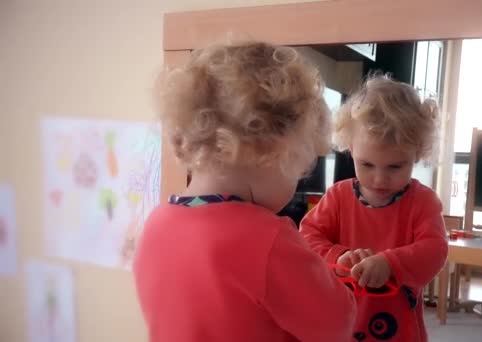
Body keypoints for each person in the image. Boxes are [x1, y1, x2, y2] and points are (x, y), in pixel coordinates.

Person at [133, 41, 357, 342]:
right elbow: (337, 323)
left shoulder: (156, 224)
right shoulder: (269, 238)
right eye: (298, 171)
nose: (296, 183)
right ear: (273, 151)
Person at [300, 74, 448, 342]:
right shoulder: (337, 196)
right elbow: (307, 238)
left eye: (395, 166)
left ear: (416, 155)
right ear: (350, 148)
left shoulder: (423, 202)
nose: (380, 179)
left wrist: (390, 264)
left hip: (398, 328)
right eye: (367, 164)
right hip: (341, 322)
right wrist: (338, 257)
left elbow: (435, 249)